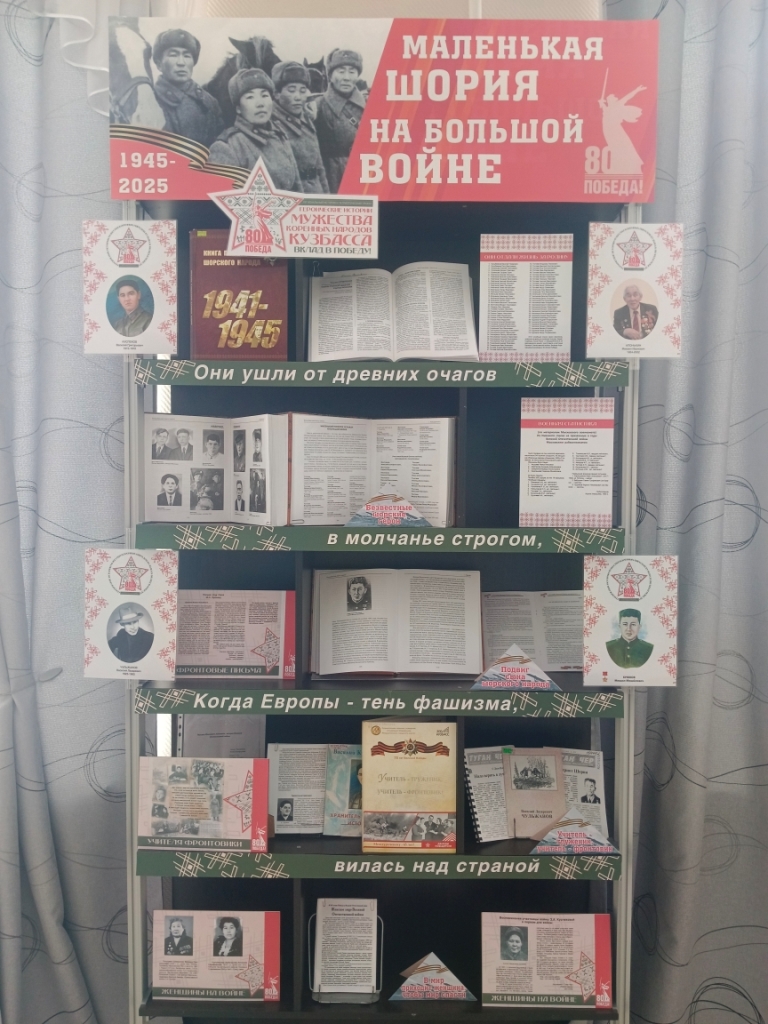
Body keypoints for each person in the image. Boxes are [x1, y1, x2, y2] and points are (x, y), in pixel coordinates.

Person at [208, 69, 301, 189]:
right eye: (250, 97)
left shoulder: (280, 135)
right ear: (238, 108)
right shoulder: (228, 147)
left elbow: (297, 189)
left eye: (264, 95)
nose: (260, 104)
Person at [152, 28, 224, 148]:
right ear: (159, 64)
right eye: (173, 55)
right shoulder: (149, 102)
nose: (181, 63)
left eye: (187, 56)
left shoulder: (209, 102)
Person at [271, 61, 329, 193]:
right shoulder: (270, 124)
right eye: (291, 90)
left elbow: (319, 168)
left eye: (303, 91)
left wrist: (327, 196)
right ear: (277, 94)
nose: (298, 97)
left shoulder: (306, 120)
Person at [315, 49, 366, 193]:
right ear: (330, 75)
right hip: (332, 179)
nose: (346, 78)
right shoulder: (318, 107)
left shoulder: (371, 105)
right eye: (341, 71)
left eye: (352, 72)